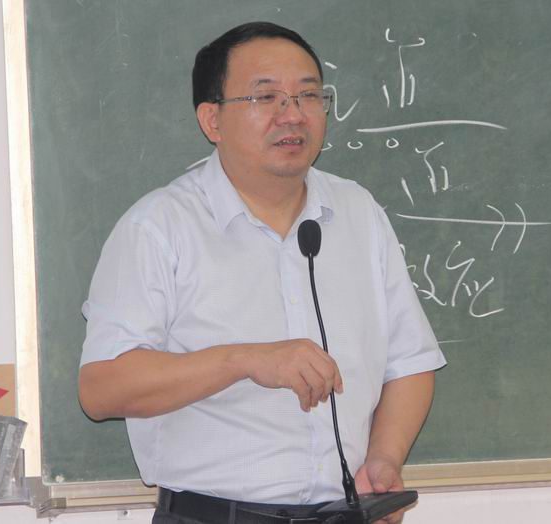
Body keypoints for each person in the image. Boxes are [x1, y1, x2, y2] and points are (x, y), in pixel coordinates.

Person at [79, 22, 446, 524]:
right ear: (212, 119)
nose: (292, 114)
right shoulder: (159, 227)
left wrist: (384, 459)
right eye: (266, 97)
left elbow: (409, 362)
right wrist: (244, 359)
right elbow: (101, 389)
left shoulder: (358, 212)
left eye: (308, 95)